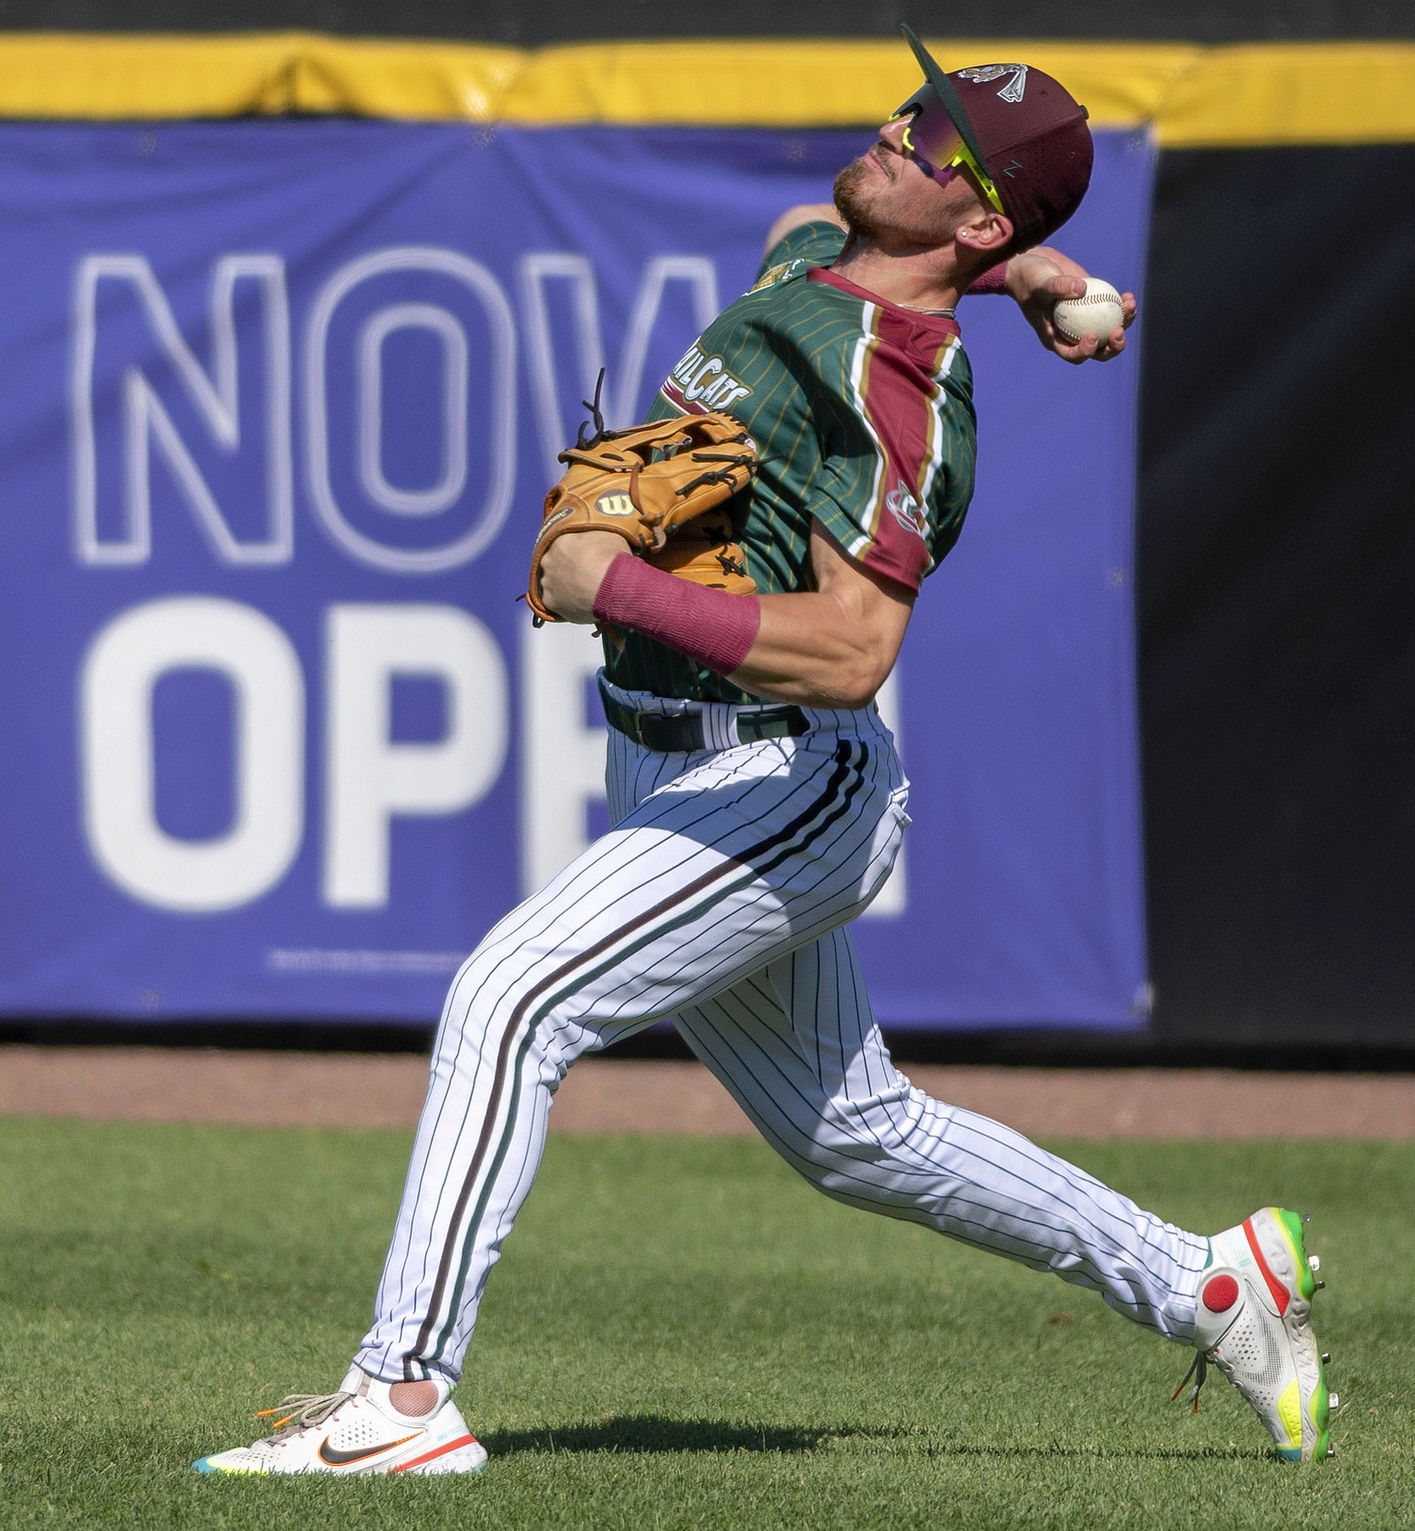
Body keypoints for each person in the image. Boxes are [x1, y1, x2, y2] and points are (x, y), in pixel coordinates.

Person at [194, 30, 1332, 1475]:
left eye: (932, 138)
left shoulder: (898, 388)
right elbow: (806, 225)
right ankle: (1207, 1280)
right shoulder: (820, 274)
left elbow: (858, 647)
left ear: (977, 207)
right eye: (911, 105)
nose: (894, 129)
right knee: (854, 1130)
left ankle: (402, 1401)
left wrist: (622, 588)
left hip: (792, 772)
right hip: (671, 758)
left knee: (508, 999)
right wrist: (1038, 273)